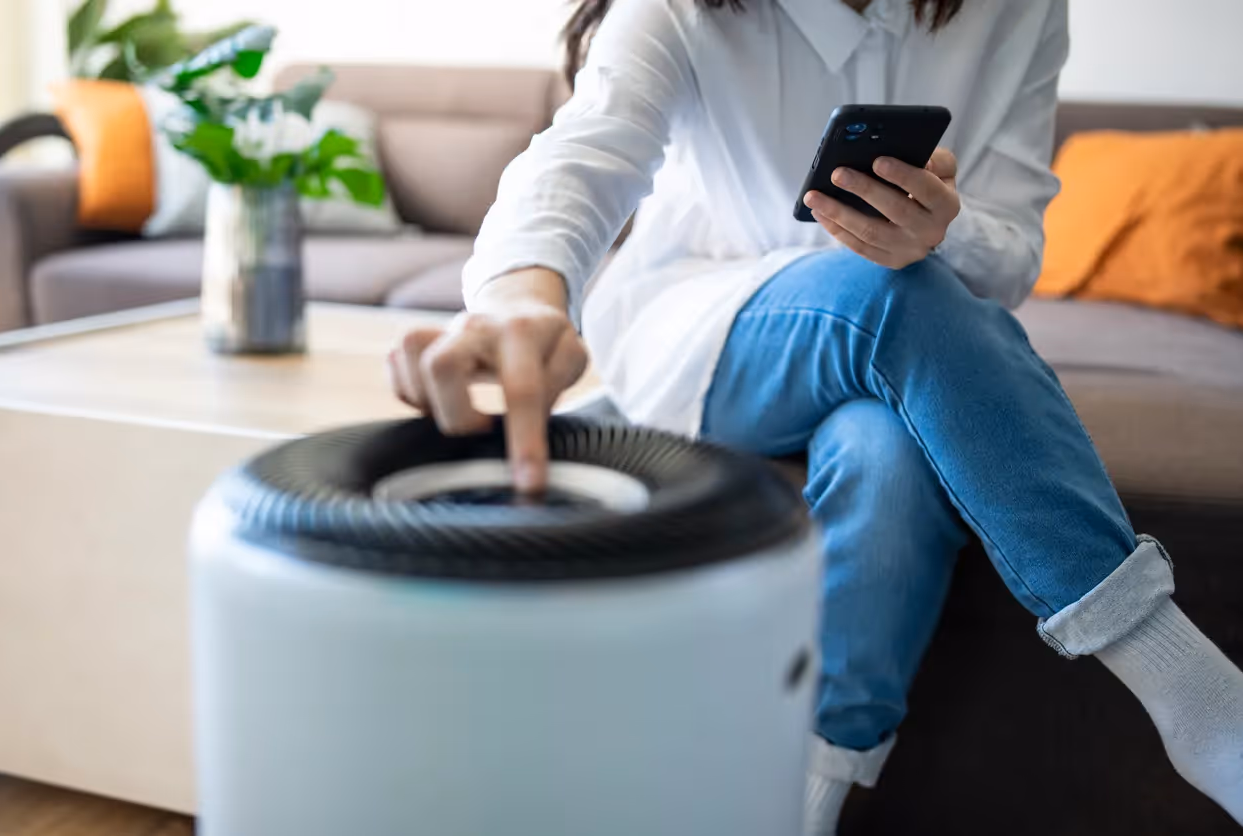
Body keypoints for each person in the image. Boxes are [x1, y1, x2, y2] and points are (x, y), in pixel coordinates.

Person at [387, 0, 1243, 832]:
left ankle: (799, 807)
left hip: (902, 351)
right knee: (885, 292)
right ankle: (1190, 689)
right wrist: (518, 301)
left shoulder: (1017, 9)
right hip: (709, 333)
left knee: (888, 456)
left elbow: (1013, 255)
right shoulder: (689, 8)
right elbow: (578, 161)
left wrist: (944, 233)